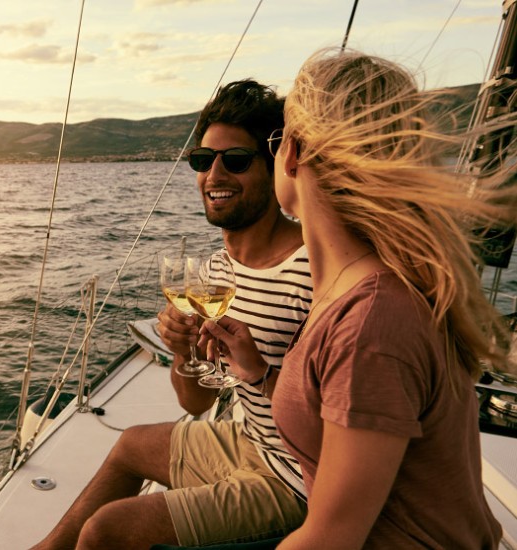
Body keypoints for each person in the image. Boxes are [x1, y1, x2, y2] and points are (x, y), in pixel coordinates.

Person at [0, 79, 313, 550]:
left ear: (277, 167)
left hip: (299, 477)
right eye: (202, 160)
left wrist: (256, 372)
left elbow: (336, 424)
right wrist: (181, 352)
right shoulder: (212, 273)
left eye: (235, 160)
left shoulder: (312, 272)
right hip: (250, 442)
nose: (214, 175)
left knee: (108, 531)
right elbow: (194, 404)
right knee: (131, 444)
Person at [207, 48, 514, 548]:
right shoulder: (355, 289)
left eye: (277, 137)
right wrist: (258, 371)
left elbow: (330, 539)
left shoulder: (371, 319)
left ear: (294, 151)